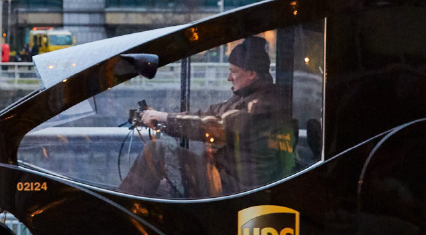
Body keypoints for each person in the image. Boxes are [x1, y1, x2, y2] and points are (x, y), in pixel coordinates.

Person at [118, 36, 295, 198]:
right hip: (225, 178)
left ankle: (121, 208)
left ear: (251, 73)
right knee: (162, 190)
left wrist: (164, 117)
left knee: (156, 151)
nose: (228, 78)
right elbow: (204, 116)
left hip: (235, 188)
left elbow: (215, 126)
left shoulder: (260, 105)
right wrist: (161, 119)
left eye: (233, 71)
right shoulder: (245, 97)